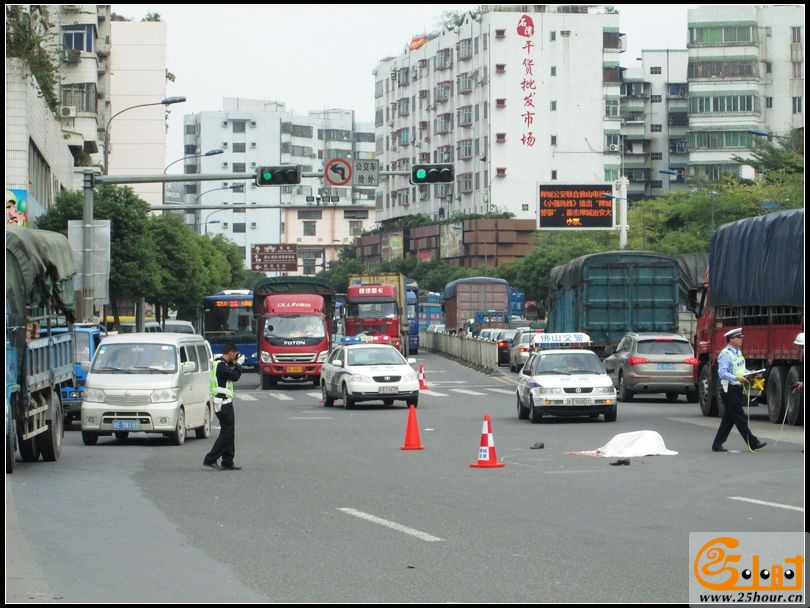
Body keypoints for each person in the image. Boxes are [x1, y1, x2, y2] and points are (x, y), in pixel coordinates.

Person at [712, 328, 767, 453]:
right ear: (731, 339)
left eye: (742, 337)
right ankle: (753, 442)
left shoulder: (738, 352)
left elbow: (741, 370)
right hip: (729, 388)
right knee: (739, 416)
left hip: (737, 388)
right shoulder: (725, 354)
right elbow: (722, 373)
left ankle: (717, 444)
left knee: (729, 418)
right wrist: (736, 378)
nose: (742, 340)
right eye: (739, 338)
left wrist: (751, 373)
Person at [203, 343, 245, 471]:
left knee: (229, 432)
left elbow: (229, 373)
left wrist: (235, 364)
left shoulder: (220, 364)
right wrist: (239, 365)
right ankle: (210, 459)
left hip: (224, 402)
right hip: (222, 403)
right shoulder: (221, 365)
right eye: (235, 354)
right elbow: (234, 376)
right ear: (230, 352)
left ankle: (227, 461)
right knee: (226, 432)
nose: (236, 357)